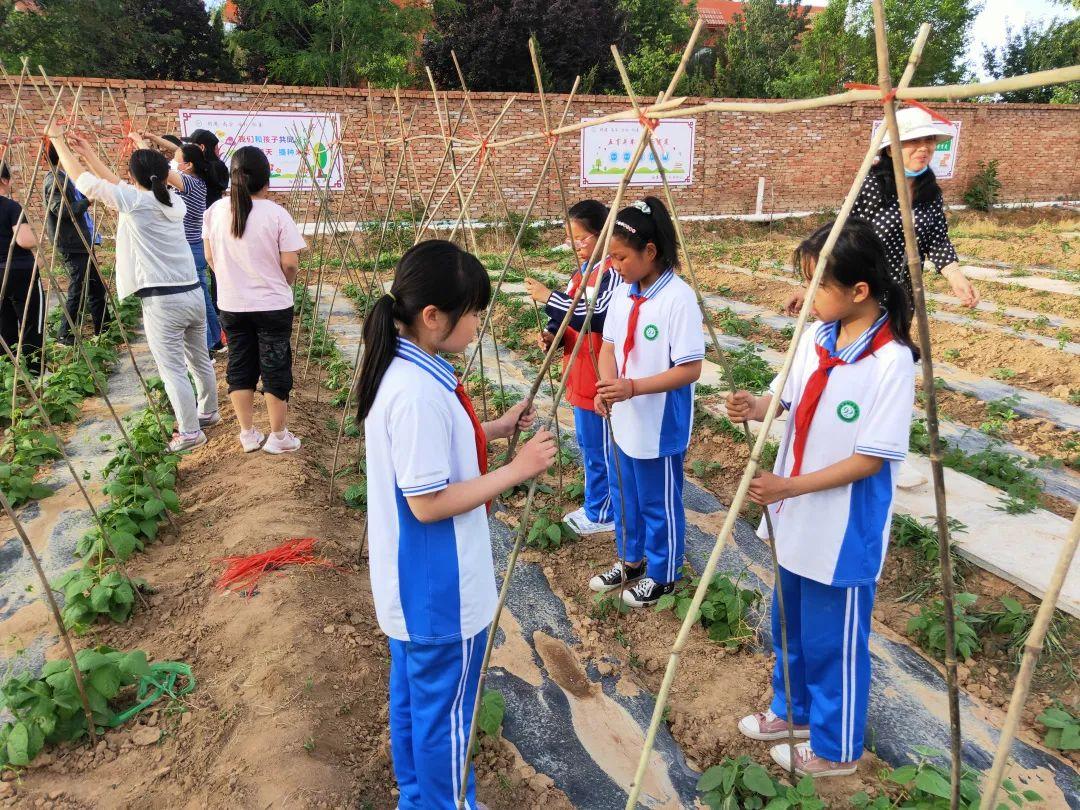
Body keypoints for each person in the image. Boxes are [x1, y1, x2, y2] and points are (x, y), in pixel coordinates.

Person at [356, 240, 556, 809]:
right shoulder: (418, 393)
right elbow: (428, 501)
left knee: (416, 703)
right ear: (432, 317)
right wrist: (517, 470)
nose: (476, 325)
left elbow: (432, 454)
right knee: (446, 716)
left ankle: (418, 799)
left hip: (410, 586)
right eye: (471, 313)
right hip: (439, 591)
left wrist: (495, 428)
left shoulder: (400, 368)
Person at [728, 218, 917, 778]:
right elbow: (784, 401)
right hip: (796, 515)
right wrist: (756, 407)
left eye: (818, 285)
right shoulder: (817, 339)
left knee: (835, 641)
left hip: (842, 527)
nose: (806, 296)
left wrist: (788, 485)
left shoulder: (891, 362)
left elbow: (870, 459)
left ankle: (836, 749)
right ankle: (794, 712)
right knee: (789, 622)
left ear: (859, 291)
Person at [47, 124, 219, 452]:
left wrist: (59, 142)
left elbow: (85, 183)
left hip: (163, 301)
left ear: (135, 176)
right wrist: (87, 152)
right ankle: (208, 412)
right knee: (198, 359)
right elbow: (115, 183)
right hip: (192, 292)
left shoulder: (137, 203)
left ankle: (190, 431)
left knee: (172, 369)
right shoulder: (170, 200)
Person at [590, 197, 705, 608]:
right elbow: (608, 345)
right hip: (624, 412)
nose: (613, 265)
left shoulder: (677, 298)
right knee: (625, 494)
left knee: (658, 500)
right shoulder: (623, 293)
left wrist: (633, 387)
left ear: (650, 252)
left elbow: (690, 369)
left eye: (620, 256)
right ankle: (631, 559)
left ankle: (663, 573)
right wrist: (608, 387)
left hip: (658, 419)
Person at [785, 106, 978, 316]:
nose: (923, 148)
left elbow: (937, 239)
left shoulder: (930, 192)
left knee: (894, 345)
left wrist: (957, 278)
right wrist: (811, 287)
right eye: (913, 141)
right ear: (890, 149)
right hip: (863, 291)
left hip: (904, 294)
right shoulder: (872, 186)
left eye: (928, 140)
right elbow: (841, 235)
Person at [524, 199, 618, 536]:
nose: (577, 247)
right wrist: (552, 334)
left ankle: (603, 510)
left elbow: (594, 316)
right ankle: (597, 503)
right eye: (572, 239)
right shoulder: (580, 273)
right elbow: (565, 317)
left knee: (600, 447)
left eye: (583, 239)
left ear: (603, 234)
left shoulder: (612, 273)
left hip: (599, 372)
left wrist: (547, 296)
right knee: (588, 444)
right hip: (578, 370)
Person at [203, 146, 304, 454]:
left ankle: (247, 433)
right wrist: (284, 282)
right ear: (266, 180)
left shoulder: (215, 212)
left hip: (232, 304)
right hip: (272, 305)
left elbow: (209, 256)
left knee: (240, 364)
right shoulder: (276, 214)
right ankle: (278, 436)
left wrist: (231, 279)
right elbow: (290, 264)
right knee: (275, 365)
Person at [131, 132, 222, 352]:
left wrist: (140, 144)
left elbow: (156, 166)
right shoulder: (196, 180)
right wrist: (150, 138)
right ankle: (216, 340)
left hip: (191, 248)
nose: (173, 163)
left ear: (189, 165)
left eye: (177, 161)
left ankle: (208, 343)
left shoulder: (190, 183)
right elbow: (166, 158)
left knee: (199, 297)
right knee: (203, 296)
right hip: (194, 246)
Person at [44, 143, 108, 344]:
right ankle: (65, 335)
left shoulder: (65, 177)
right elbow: (61, 210)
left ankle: (104, 329)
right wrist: (87, 201)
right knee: (78, 289)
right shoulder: (54, 179)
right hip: (71, 243)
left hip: (81, 242)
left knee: (96, 287)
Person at [0, 162, 44, 372]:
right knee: (30, 321)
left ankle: (7, 371)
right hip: (19, 272)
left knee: (4, 325)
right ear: (4, 181)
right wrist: (36, 236)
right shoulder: (10, 206)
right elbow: (24, 240)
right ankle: (35, 370)